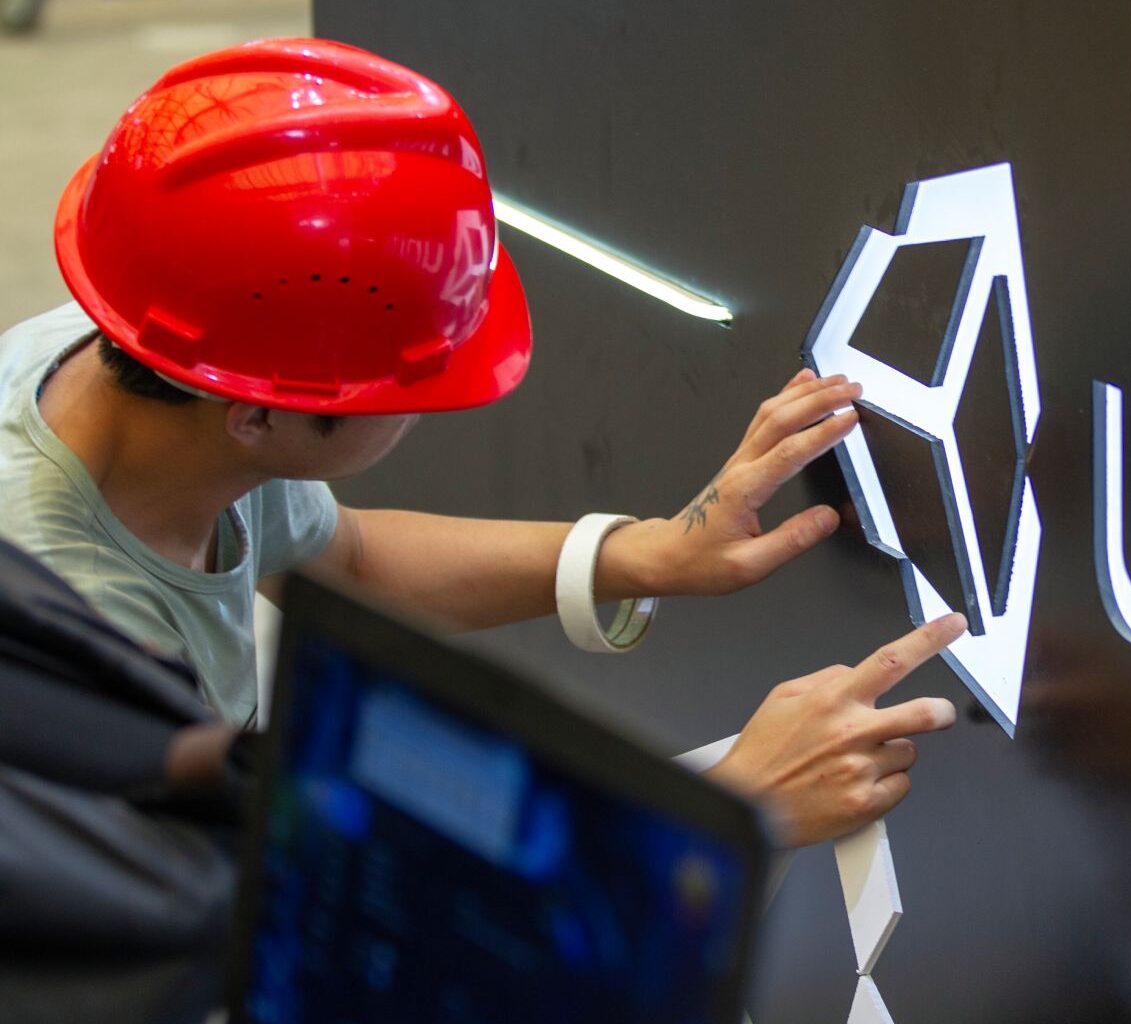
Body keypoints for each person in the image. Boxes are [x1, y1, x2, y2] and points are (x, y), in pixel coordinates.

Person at [0, 37, 963, 849]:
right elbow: (308, 944)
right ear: (257, 416)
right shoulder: (81, 656)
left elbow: (345, 559)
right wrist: (735, 811)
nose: (427, 407)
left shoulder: (151, 364)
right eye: (408, 389)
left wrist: (642, 555)